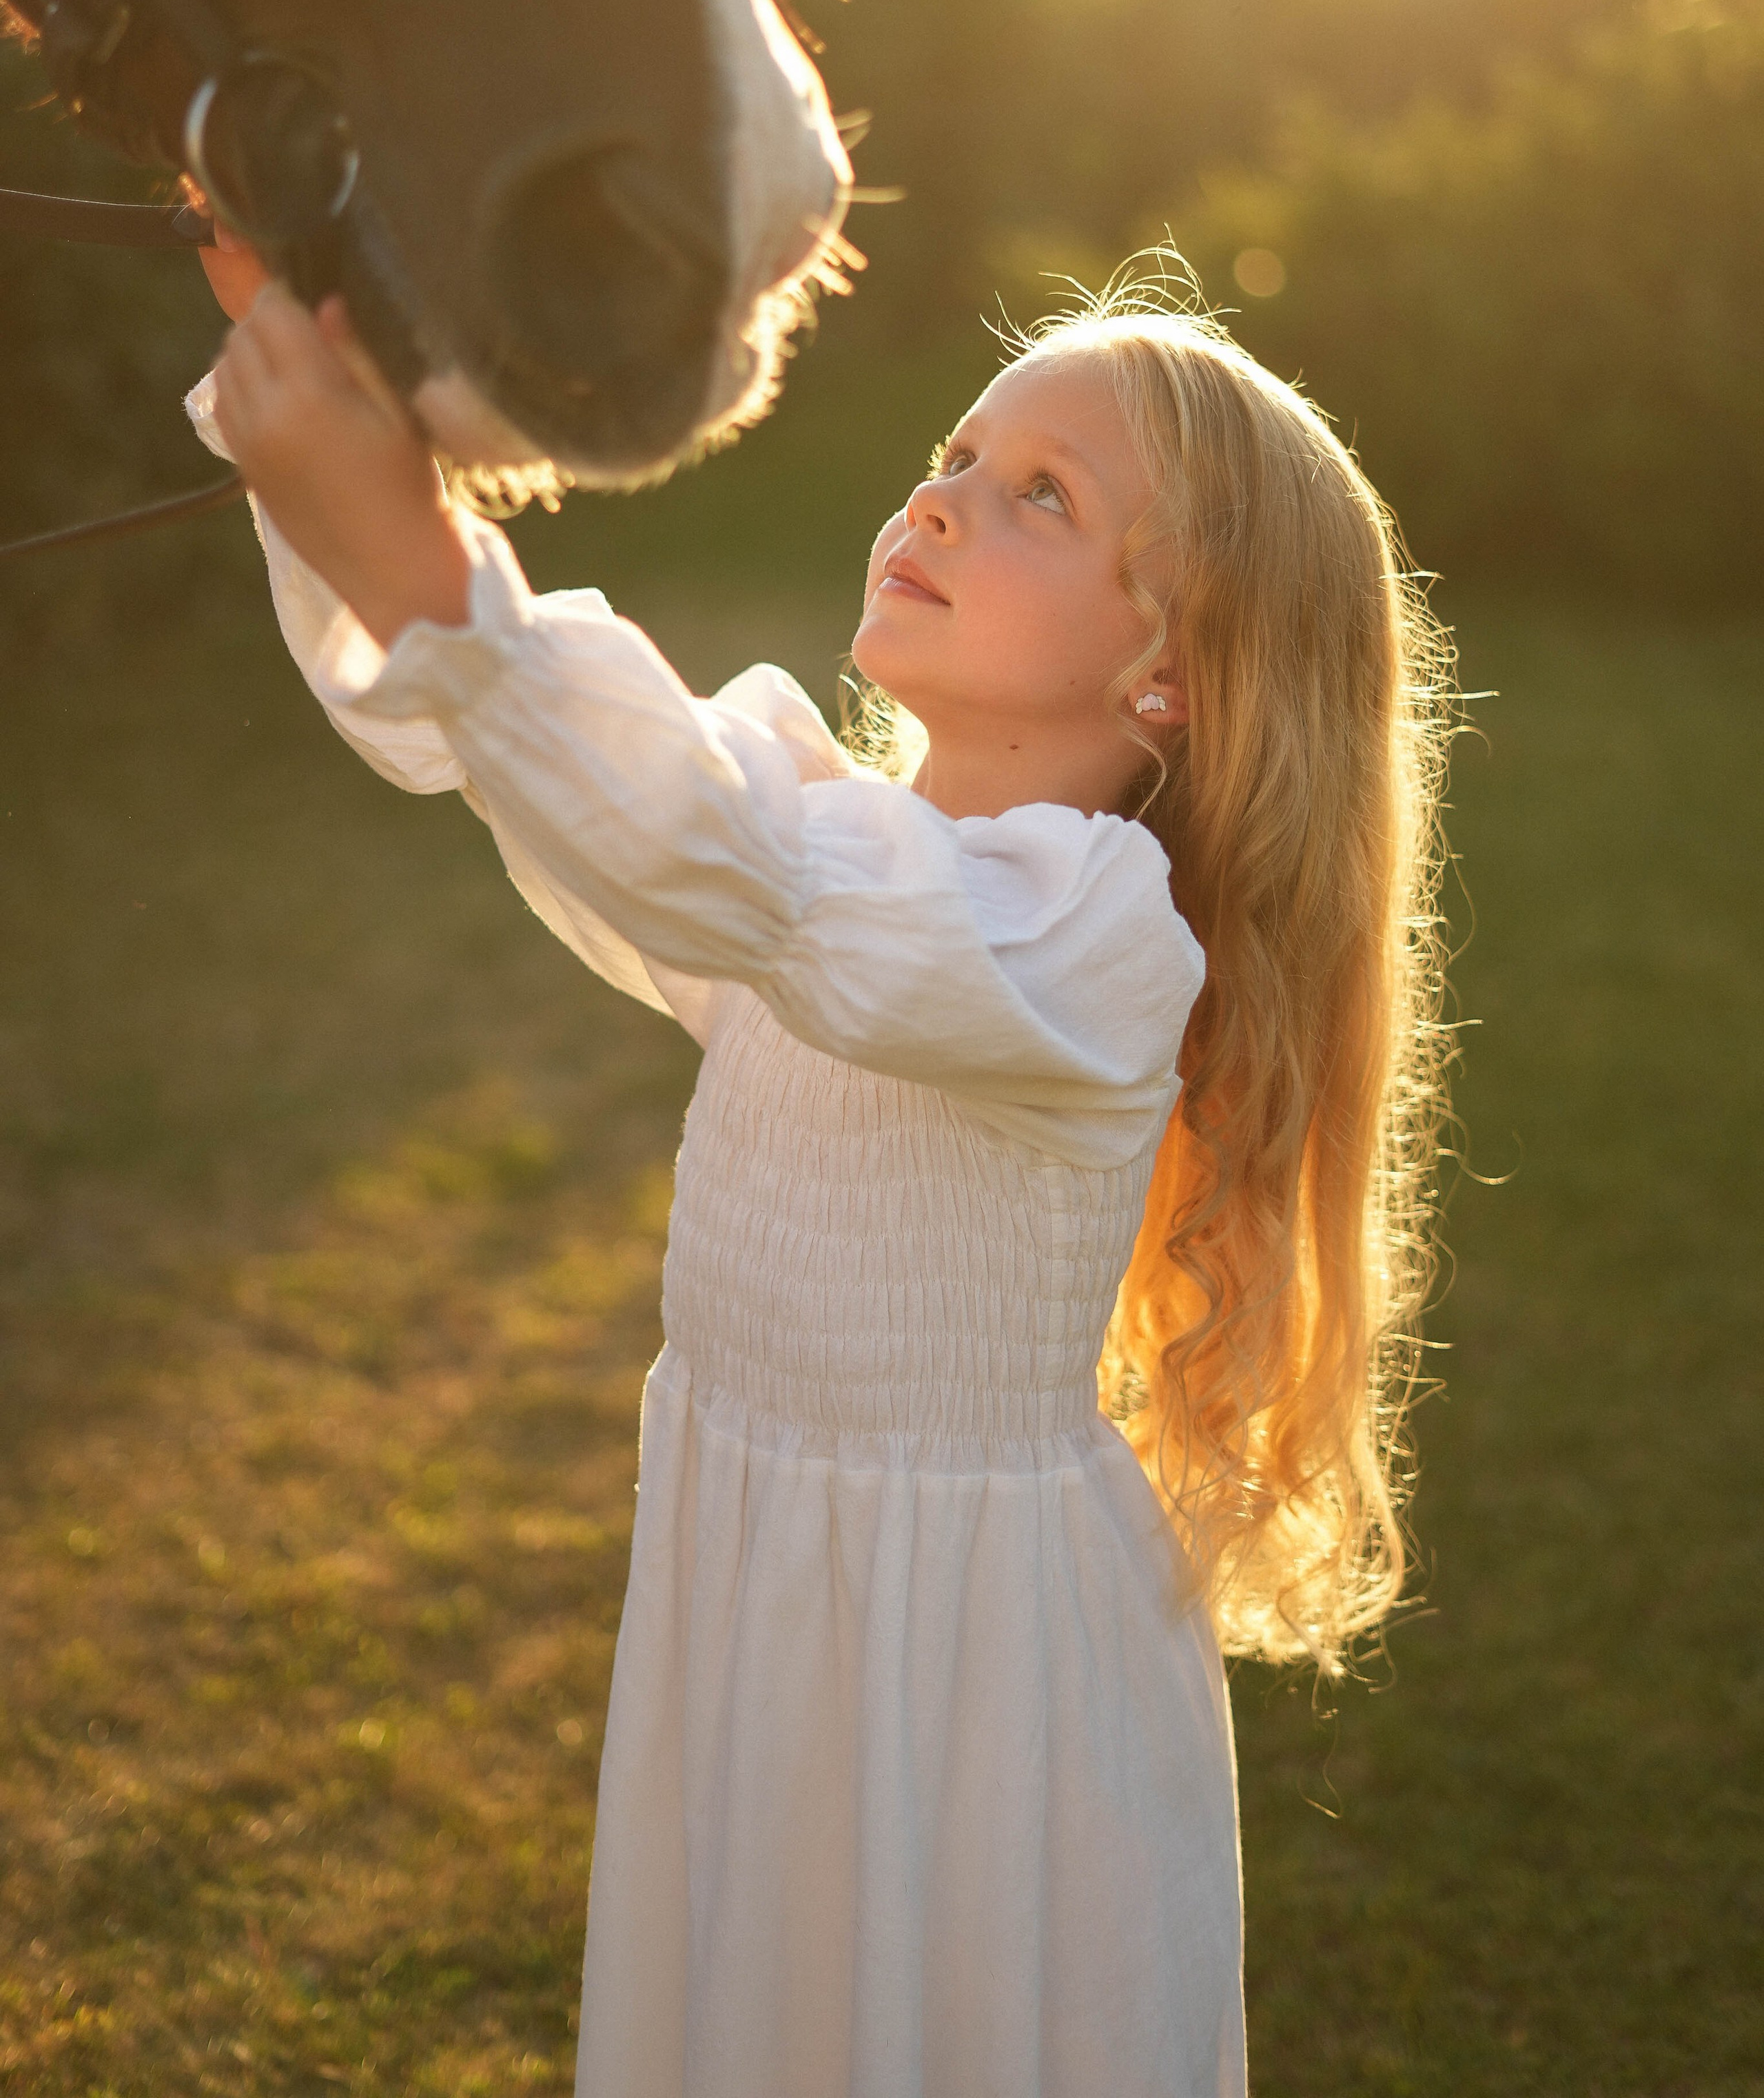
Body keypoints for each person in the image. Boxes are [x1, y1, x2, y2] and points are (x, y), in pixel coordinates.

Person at [190, 236, 1453, 2098]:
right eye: (956, 452)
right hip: (768, 1598)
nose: (942, 498)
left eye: (1041, 495)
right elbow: (515, 758)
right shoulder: (809, 852)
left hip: (972, 1687)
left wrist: (429, 562)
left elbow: (726, 861)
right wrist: (297, 366)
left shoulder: (1085, 938)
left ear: (1173, 674)